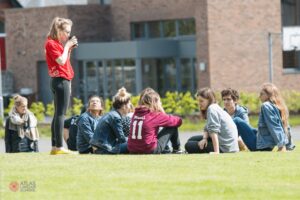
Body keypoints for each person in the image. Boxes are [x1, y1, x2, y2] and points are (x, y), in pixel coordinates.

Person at [45, 17, 78, 155]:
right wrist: (67, 46)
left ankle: (54, 147)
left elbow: (65, 61)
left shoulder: (56, 43)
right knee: (60, 115)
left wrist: (69, 47)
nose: (68, 35)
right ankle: (59, 146)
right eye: (67, 32)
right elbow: (61, 60)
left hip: (60, 80)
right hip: (60, 80)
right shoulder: (51, 43)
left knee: (57, 114)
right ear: (59, 30)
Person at [233, 83, 291, 152]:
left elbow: (274, 126)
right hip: (265, 143)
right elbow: (286, 127)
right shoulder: (279, 106)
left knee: (237, 121)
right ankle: (238, 144)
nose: (259, 96)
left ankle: (227, 146)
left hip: (260, 146)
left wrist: (281, 146)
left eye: (261, 94)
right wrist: (289, 145)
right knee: (249, 128)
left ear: (269, 95)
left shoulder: (266, 106)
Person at [127, 88, 183, 154]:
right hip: (149, 149)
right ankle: (177, 150)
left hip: (132, 149)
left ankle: (169, 149)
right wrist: (162, 112)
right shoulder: (154, 114)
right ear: (155, 102)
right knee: (172, 126)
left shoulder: (136, 113)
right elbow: (178, 121)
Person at [185, 88, 239, 154]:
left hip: (225, 148)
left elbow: (214, 132)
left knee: (189, 145)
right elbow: (207, 127)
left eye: (201, 101)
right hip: (227, 145)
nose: (199, 104)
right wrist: (204, 139)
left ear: (209, 100)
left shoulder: (212, 109)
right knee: (191, 139)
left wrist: (216, 152)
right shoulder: (214, 107)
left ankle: (215, 150)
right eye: (198, 101)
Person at [90, 87, 131, 154]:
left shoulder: (111, 114)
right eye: (129, 104)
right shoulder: (116, 117)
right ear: (124, 106)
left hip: (100, 147)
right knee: (134, 143)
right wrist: (131, 139)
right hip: (105, 149)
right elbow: (121, 139)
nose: (130, 107)